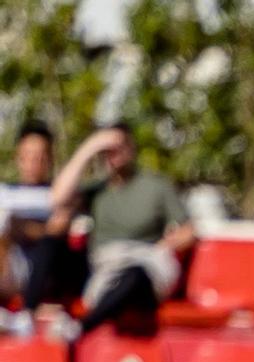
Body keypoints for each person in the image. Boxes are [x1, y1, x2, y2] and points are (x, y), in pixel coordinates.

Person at [28, 123, 194, 343]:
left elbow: (189, 230)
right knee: (50, 242)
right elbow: (56, 199)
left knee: (133, 276)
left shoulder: (155, 185)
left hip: (144, 264)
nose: (113, 152)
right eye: (108, 147)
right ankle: (25, 316)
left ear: (131, 148)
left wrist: (166, 245)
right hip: (104, 267)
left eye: (119, 145)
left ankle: (79, 328)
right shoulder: (98, 191)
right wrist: (90, 148)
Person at [0, 121, 56, 332]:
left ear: (50, 159)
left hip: (44, 272)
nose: (34, 162)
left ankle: (25, 316)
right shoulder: (5, 193)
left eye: (41, 156)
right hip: (8, 267)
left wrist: (23, 228)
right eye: (29, 156)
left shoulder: (57, 195)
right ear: (18, 158)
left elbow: (58, 231)